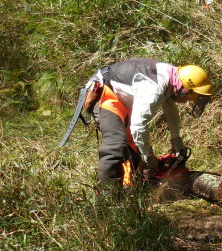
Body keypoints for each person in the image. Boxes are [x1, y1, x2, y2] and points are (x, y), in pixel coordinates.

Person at [82, 58, 215, 188]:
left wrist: (176, 139)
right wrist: (148, 156)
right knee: (116, 145)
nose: (187, 101)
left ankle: (131, 188)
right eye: (187, 98)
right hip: (106, 92)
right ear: (184, 89)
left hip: (124, 99)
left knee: (133, 148)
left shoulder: (170, 78)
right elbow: (138, 127)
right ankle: (106, 195)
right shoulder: (154, 89)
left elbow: (171, 111)